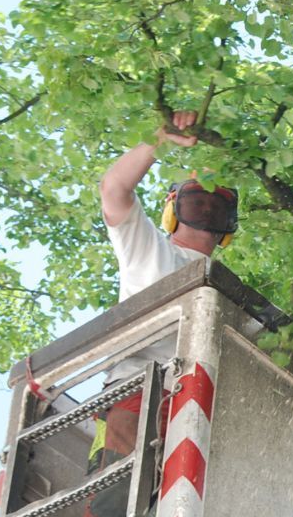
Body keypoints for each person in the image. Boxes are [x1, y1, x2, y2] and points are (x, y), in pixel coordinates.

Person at [86, 112, 239, 491]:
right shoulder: (147, 246)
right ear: (173, 207)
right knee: (116, 503)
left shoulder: (230, 296)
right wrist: (160, 139)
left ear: (229, 225)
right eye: (197, 196)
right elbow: (114, 189)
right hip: (137, 391)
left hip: (202, 409)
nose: (206, 206)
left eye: (216, 202)